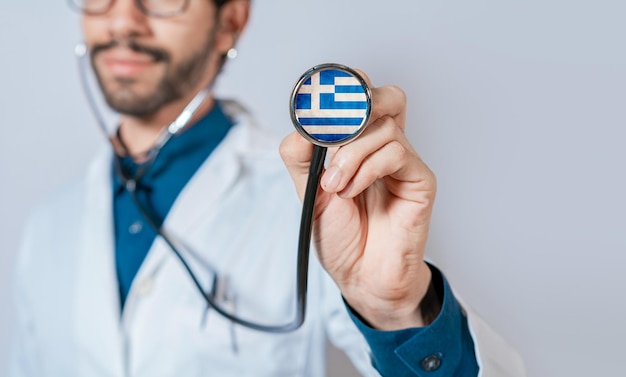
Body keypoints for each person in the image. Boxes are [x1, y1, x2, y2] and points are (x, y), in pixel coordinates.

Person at [9, 0, 525, 376]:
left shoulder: (323, 202)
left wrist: (395, 310)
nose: (122, 19)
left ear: (229, 21)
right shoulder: (47, 227)